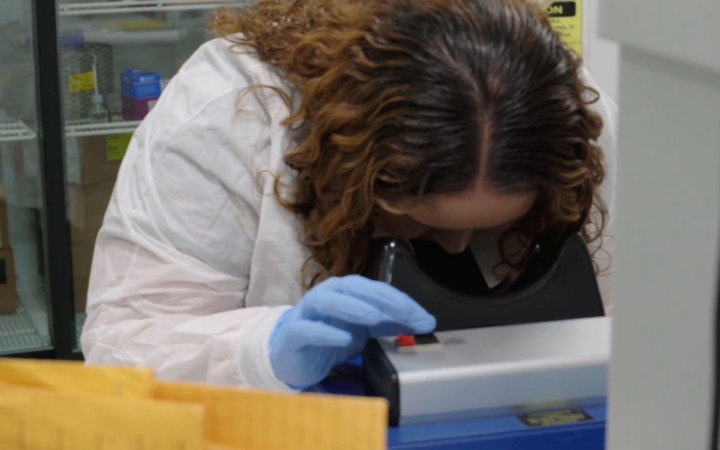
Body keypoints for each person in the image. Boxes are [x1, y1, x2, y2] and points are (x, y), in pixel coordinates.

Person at [81, 0, 617, 390]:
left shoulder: (567, 123)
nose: (456, 247)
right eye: (424, 221)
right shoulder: (231, 113)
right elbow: (125, 344)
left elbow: (634, 319)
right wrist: (262, 348)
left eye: (491, 226)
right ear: (353, 161)